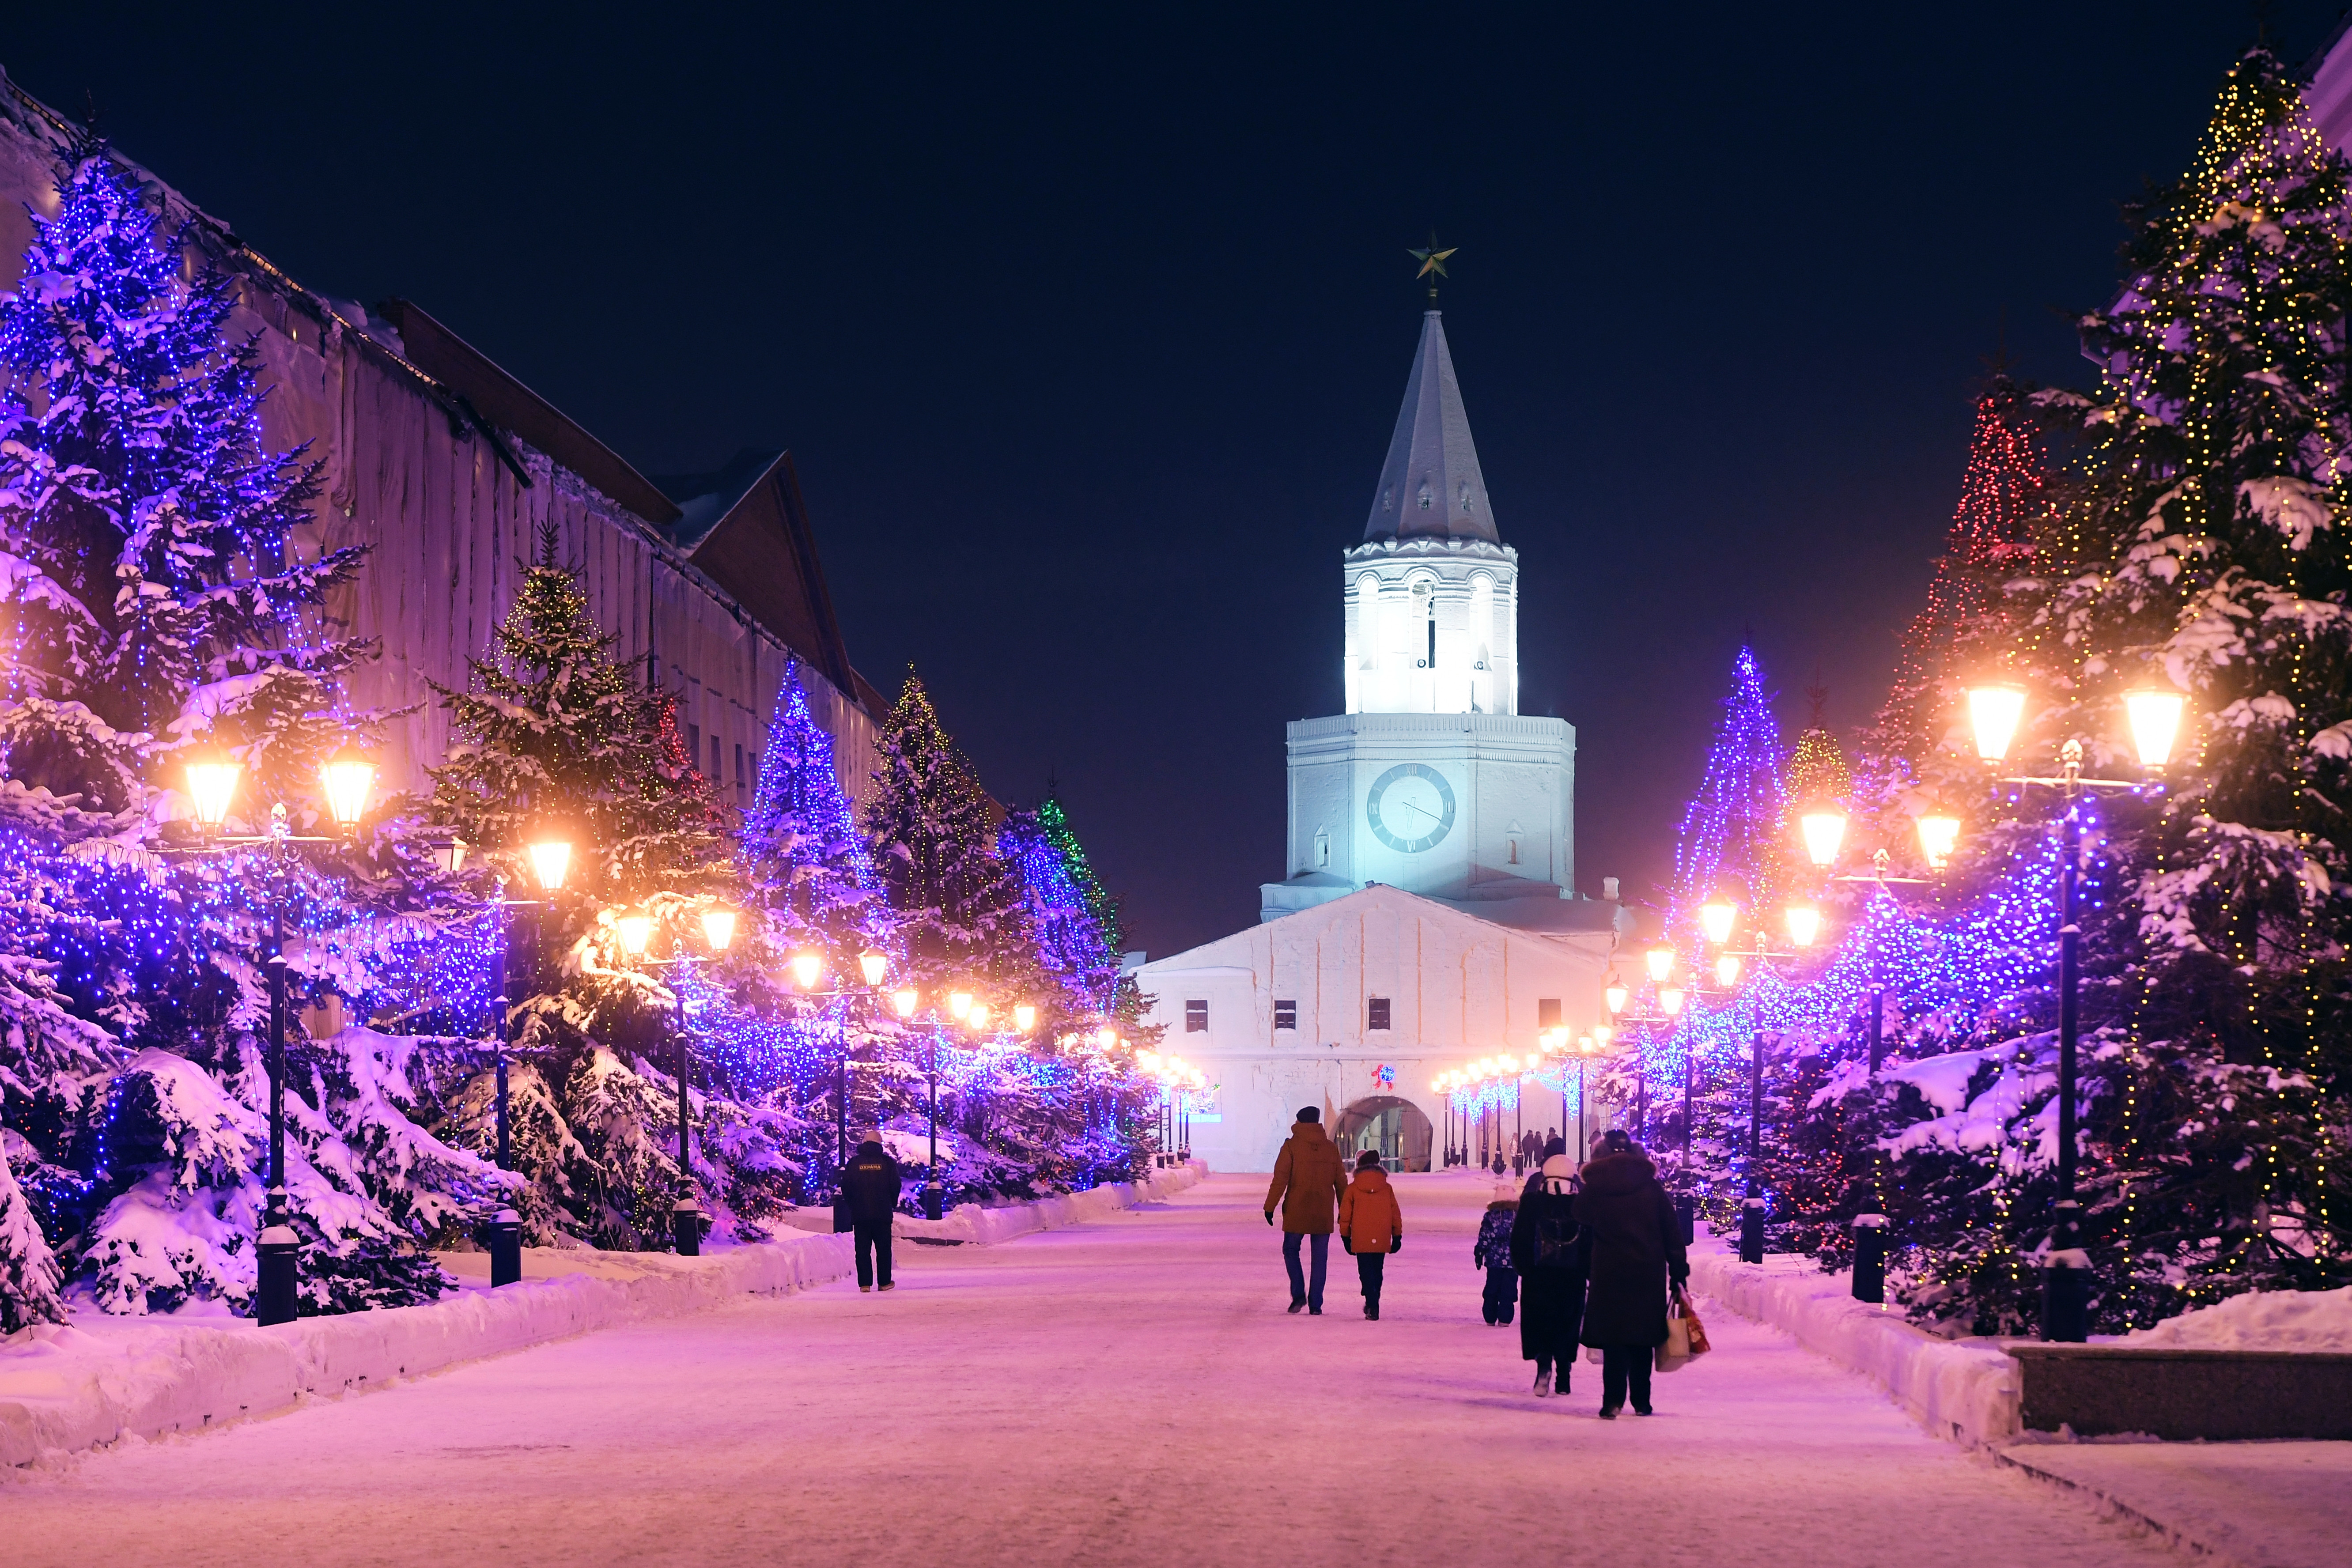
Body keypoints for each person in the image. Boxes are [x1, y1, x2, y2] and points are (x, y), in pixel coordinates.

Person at [1574, 1128, 1688, 1417]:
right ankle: (1642, 1400)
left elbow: (1579, 1213)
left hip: (1609, 1272)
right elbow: (1671, 1231)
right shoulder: (1651, 1188)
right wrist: (1678, 1272)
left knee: (1615, 1340)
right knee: (1642, 1339)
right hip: (1646, 1273)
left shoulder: (1598, 1187)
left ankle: (1612, 1401)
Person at [1510, 1136, 1588, 1398]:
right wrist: (1588, 1272)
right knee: (1567, 1322)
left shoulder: (1533, 1203)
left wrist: (1524, 1268)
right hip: (1572, 1276)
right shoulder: (1580, 1205)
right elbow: (1589, 1242)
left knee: (1541, 1321)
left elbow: (1519, 1238)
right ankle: (1564, 1376)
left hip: (1539, 1276)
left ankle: (1543, 1368)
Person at [1265, 1106, 1347, 1314]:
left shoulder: (1291, 1147)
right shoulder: (1331, 1148)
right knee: (1320, 1257)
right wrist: (1346, 1212)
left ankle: (1299, 1295)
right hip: (1323, 1210)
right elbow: (1341, 1183)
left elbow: (1280, 1179)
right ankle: (1316, 1304)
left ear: (1299, 1122)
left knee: (1291, 1250)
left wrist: (1270, 1207)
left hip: (1297, 1208)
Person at [1339, 1149, 1403, 1319]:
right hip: (1382, 1235)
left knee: (1365, 1270)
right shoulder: (1387, 1188)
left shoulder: (1353, 1189)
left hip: (1360, 1236)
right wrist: (1397, 1235)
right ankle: (1373, 1300)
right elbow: (1395, 1213)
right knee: (1377, 1269)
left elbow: (1345, 1215)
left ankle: (1371, 1301)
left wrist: (1345, 1236)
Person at [840, 1135, 904, 1293]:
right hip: (882, 1214)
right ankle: (884, 1282)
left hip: (860, 1214)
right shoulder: (887, 1163)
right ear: (879, 1144)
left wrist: (853, 1205)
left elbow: (846, 1186)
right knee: (883, 1250)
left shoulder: (854, 1163)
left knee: (862, 1250)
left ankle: (865, 1284)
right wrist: (891, 1203)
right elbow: (896, 1185)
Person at [1472, 1182, 1519, 1326]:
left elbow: (1486, 1236)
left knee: (1492, 1288)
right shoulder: (1518, 1217)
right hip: (1513, 1261)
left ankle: (1490, 1317)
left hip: (1494, 1261)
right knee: (1509, 1290)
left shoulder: (1491, 1217)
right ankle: (1505, 1318)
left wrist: (1480, 1251)